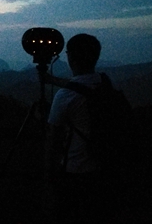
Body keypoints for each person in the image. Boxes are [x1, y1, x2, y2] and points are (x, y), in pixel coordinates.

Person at [41, 33, 109, 223]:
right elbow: (80, 86)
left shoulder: (65, 96)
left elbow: (52, 139)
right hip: (103, 169)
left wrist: (48, 178)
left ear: (71, 57)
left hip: (74, 173)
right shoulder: (104, 83)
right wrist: (52, 80)